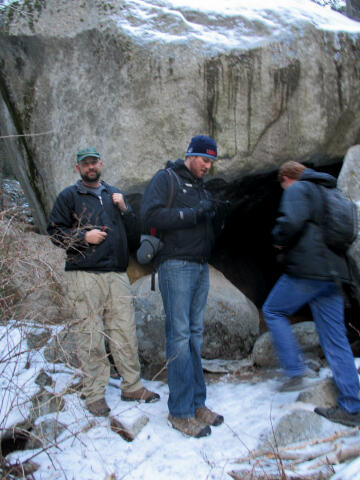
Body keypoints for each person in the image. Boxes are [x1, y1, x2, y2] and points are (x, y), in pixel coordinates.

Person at [47, 147, 159, 417]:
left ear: (101, 164)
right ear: (78, 169)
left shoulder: (114, 195)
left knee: (124, 331)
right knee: (90, 334)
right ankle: (94, 393)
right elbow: (54, 232)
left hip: (117, 274)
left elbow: (134, 235)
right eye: (85, 164)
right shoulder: (69, 196)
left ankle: (132, 386)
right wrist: (84, 237)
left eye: (94, 162)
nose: (90, 167)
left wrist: (126, 209)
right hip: (84, 273)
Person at [140, 135, 228, 438]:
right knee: (178, 336)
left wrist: (216, 219)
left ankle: (197, 403)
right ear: (191, 155)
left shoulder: (202, 186)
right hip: (175, 265)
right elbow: (149, 215)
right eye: (205, 159)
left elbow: (202, 224)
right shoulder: (166, 179)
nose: (207, 165)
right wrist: (192, 214)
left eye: (211, 162)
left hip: (200, 265)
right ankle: (179, 411)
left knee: (194, 335)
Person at [262, 160, 360, 427]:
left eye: (283, 186)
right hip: (333, 275)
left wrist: (278, 239)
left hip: (307, 271)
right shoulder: (331, 192)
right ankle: (352, 406)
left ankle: (294, 370)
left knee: (273, 310)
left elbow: (289, 223)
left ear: (287, 178)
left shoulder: (298, 189)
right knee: (335, 340)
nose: (284, 190)